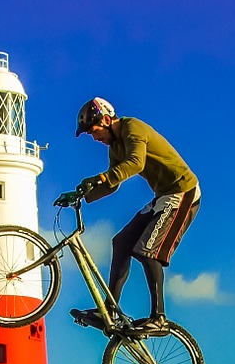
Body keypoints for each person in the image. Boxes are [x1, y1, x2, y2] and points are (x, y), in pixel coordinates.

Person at [62, 97, 200, 333]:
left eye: (93, 131)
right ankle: (110, 309)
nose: (94, 138)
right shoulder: (116, 147)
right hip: (163, 197)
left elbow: (135, 163)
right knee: (121, 242)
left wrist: (100, 178)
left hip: (183, 192)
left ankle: (159, 318)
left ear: (106, 120)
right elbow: (112, 183)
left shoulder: (132, 128)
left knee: (148, 251)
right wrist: (81, 193)